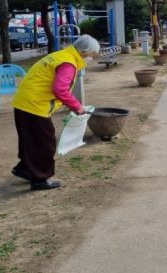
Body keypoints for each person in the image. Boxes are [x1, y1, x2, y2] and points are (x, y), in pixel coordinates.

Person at [11, 34, 100, 190]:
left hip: (24, 102)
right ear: (84, 52)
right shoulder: (68, 63)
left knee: (31, 140)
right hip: (35, 105)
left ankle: (25, 169)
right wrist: (77, 107)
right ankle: (39, 179)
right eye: (92, 55)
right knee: (45, 143)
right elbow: (60, 89)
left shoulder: (61, 55)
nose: (91, 58)